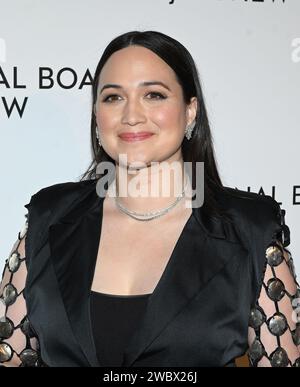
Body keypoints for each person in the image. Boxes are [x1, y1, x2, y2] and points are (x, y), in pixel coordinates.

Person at [1, 30, 300, 367]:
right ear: (96, 116)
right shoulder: (49, 219)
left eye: (154, 95)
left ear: (190, 112)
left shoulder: (249, 232)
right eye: (113, 97)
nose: (132, 115)